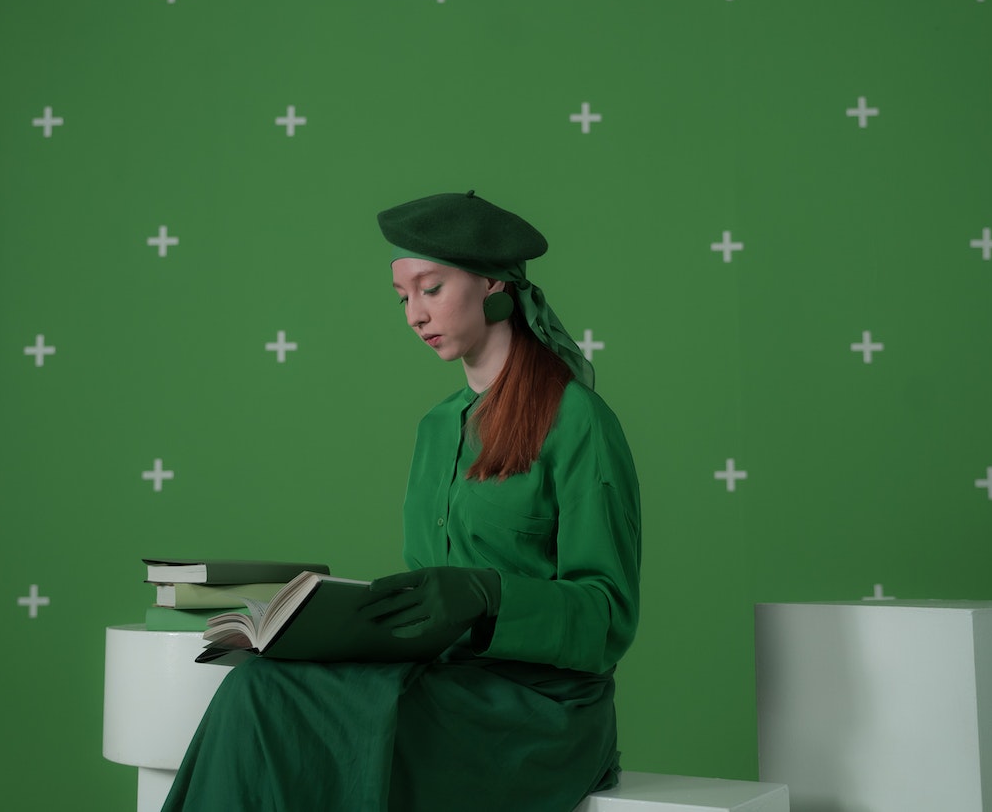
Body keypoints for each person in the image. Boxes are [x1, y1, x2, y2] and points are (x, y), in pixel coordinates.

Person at [161, 190, 641, 812]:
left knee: (287, 710)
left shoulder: (579, 421)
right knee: (260, 684)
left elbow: (608, 617)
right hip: (443, 683)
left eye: (431, 288)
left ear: (495, 284)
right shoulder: (435, 428)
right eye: (403, 297)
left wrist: (490, 596)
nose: (414, 314)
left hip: (542, 713)